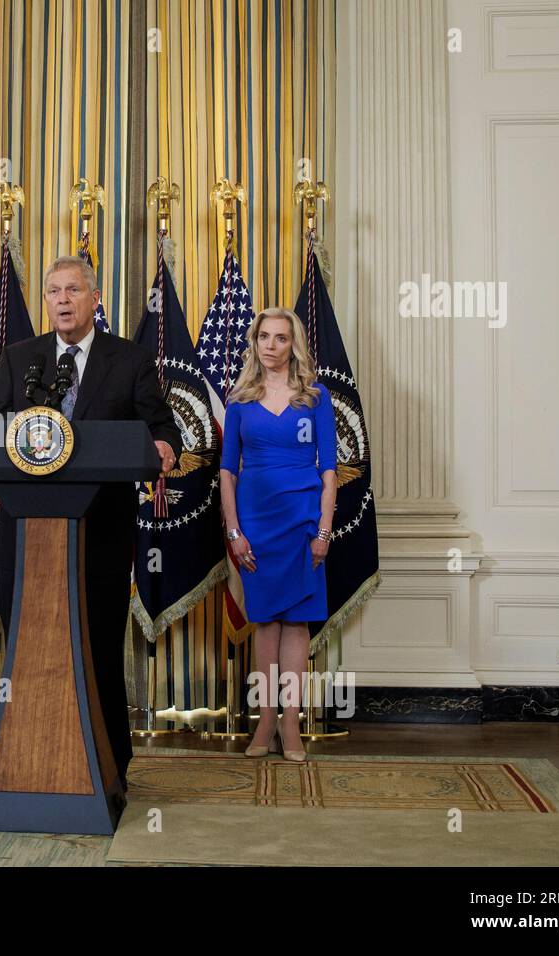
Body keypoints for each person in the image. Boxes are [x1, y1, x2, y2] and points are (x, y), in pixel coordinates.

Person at [0, 255, 181, 788]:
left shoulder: (130, 360)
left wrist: (162, 444)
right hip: (28, 540)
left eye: (74, 290)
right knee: (28, 652)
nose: (63, 300)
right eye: (54, 291)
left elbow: (162, 429)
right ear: (45, 300)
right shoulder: (19, 357)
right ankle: (24, 759)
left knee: (95, 647)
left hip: (101, 537)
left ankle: (109, 767)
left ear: (96, 299)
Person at [219, 307, 337, 763]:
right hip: (256, 523)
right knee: (265, 622)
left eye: (280, 338)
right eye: (264, 337)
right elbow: (228, 474)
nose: (271, 345)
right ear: (255, 343)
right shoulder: (239, 400)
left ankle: (292, 724)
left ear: (294, 345)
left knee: (297, 622)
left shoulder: (316, 398)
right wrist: (234, 532)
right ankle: (264, 721)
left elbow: (329, 471)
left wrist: (324, 531)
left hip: (303, 520)